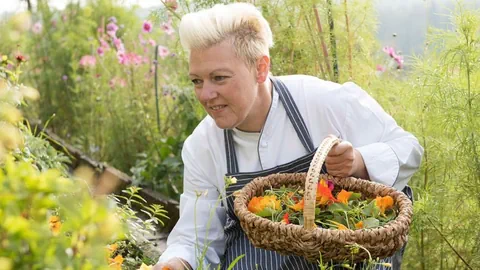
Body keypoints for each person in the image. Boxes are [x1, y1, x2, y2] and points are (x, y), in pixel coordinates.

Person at [153, 2, 423, 270]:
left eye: (219, 78)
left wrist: (360, 162)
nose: (205, 94)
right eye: (197, 81)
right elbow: (195, 237)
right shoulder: (202, 146)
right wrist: (176, 263)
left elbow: (408, 148)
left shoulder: (323, 102)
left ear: (260, 68)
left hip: (346, 258)